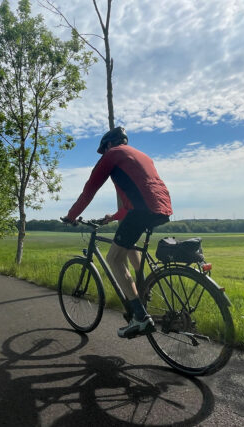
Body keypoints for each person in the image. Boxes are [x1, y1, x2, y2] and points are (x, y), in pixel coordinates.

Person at [61, 126, 173, 338]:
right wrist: (112, 217)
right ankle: (143, 292)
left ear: (108, 145)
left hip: (142, 209)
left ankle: (139, 316)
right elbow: (137, 197)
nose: (103, 154)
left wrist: (71, 216)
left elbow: (88, 191)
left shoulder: (112, 155)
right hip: (161, 208)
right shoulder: (141, 156)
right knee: (128, 248)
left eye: (103, 150)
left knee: (113, 258)